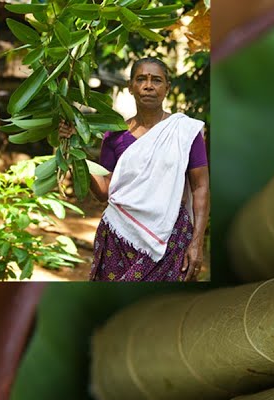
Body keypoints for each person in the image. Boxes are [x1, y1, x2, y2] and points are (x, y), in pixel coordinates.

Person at [59, 57, 209, 281]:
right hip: (119, 238)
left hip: (170, 237)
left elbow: (201, 186)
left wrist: (196, 243)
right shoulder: (114, 135)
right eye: (141, 79)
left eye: (156, 80)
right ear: (130, 87)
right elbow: (103, 191)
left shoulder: (184, 132)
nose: (148, 86)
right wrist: (75, 150)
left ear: (167, 88)